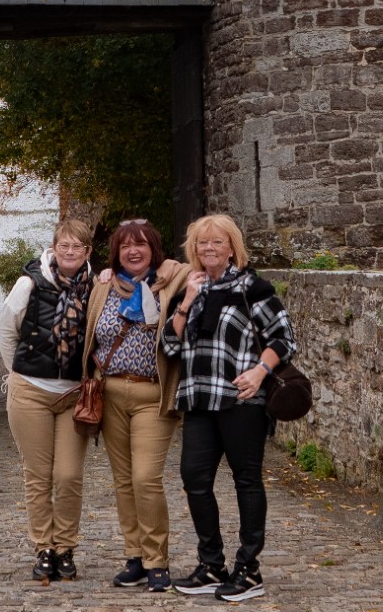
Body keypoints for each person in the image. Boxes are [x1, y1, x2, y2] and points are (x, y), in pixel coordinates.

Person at [160, 213, 292, 603]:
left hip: (241, 401)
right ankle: (211, 565)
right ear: (194, 249)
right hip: (199, 399)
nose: (209, 248)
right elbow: (169, 345)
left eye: (217, 242)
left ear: (232, 248)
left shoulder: (253, 287)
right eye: (202, 243)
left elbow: (283, 337)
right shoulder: (191, 288)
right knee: (194, 479)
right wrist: (186, 301)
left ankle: (249, 570)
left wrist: (260, 371)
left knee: (246, 480)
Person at [82, 218, 192, 593]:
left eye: (141, 244)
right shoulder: (104, 286)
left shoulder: (169, 281)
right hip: (111, 392)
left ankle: (157, 559)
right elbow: (90, 333)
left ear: (153, 250)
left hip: (152, 395)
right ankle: (135, 557)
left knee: (146, 478)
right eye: (126, 245)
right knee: (124, 481)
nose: (133, 251)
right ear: (116, 252)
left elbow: (193, 267)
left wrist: (171, 266)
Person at [0, 216, 97, 582]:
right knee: (38, 475)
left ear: (87, 251)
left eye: (76, 246)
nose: (69, 252)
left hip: (73, 394)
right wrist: (19, 373)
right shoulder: (30, 283)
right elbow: (6, 329)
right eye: (63, 245)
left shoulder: (96, 287)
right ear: (54, 248)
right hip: (31, 394)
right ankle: (44, 548)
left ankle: (66, 547)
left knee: (68, 475)